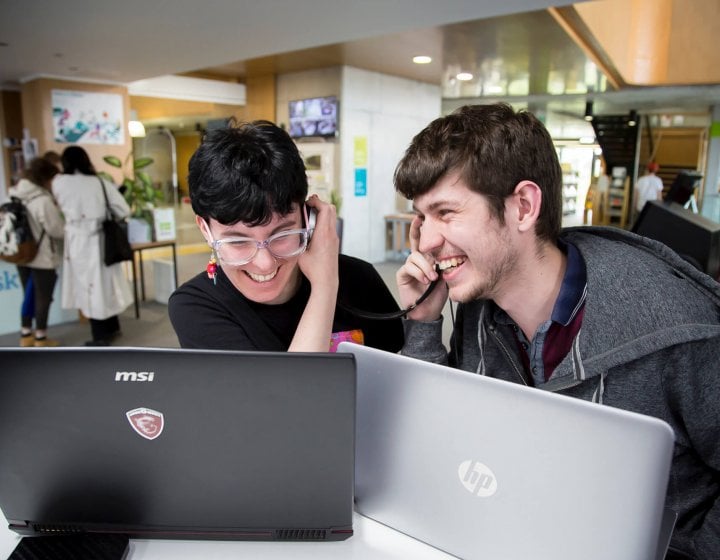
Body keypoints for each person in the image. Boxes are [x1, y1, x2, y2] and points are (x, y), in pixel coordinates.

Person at [394, 103, 720, 560]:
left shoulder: (678, 328)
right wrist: (424, 322)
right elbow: (436, 442)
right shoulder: (479, 309)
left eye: (446, 212)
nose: (425, 241)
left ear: (523, 206)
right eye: (421, 217)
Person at [168, 120, 404, 353]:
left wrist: (425, 319)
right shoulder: (195, 306)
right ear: (205, 230)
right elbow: (289, 392)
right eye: (238, 241)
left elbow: (402, 377)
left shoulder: (361, 279)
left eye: (282, 234)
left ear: (308, 219)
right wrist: (325, 286)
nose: (265, 263)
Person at [52, 146, 133, 346]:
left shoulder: (59, 182)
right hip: (100, 239)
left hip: (76, 242)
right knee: (103, 285)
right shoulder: (100, 182)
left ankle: (100, 337)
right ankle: (112, 328)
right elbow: (123, 208)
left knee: (86, 288)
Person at [9, 157, 65, 347]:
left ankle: (26, 334)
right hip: (42, 257)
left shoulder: (15, 194)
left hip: (21, 254)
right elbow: (56, 230)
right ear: (45, 178)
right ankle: (41, 337)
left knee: (28, 295)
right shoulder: (43, 200)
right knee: (43, 297)